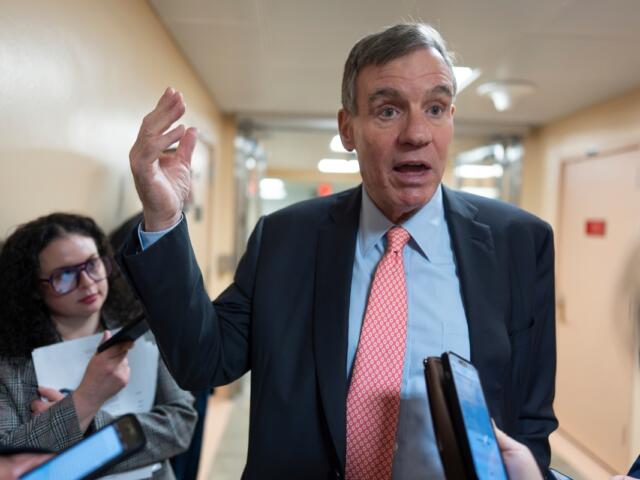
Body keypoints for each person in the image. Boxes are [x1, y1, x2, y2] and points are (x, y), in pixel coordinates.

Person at [120, 23, 557, 479]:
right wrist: (163, 219)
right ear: (348, 128)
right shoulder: (286, 239)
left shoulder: (519, 242)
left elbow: (529, 418)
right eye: (388, 110)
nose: (416, 133)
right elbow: (201, 360)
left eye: (435, 107)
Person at [0, 213, 197, 479]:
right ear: (34, 287)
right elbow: (12, 460)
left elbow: (180, 427)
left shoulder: (143, 329)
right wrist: (85, 400)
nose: (87, 282)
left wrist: (88, 425)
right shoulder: (10, 364)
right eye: (66, 274)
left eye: (92, 264)